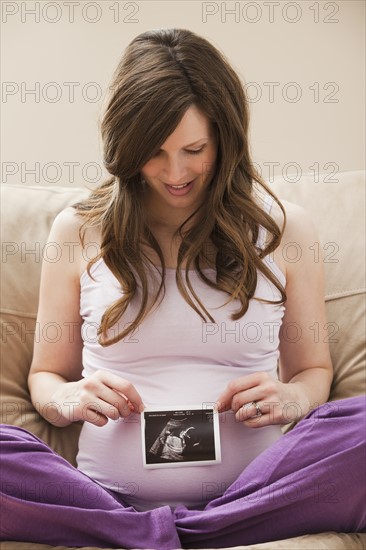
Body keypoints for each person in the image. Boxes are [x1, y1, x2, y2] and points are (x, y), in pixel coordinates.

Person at [1, 28, 365, 550]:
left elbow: (315, 372)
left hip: (255, 494)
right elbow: (45, 376)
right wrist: (69, 396)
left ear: (226, 137)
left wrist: (290, 396)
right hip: (105, 495)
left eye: (194, 149)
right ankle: (172, 533)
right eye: (155, 152)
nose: (176, 173)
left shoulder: (287, 230)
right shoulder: (78, 231)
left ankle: (153, 537)